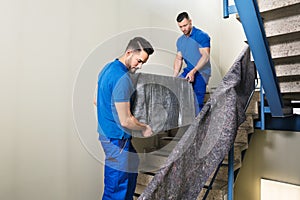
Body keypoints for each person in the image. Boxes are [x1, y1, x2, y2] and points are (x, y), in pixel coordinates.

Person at [96, 37, 154, 200]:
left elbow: (96, 100)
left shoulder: (107, 69)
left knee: (129, 176)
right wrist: (144, 127)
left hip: (109, 136)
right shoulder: (122, 78)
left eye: (143, 63)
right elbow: (126, 120)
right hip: (116, 140)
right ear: (129, 52)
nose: (139, 65)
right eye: (138, 60)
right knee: (116, 190)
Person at [173, 12, 211, 115]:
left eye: (185, 25)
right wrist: (175, 75)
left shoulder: (201, 36)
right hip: (189, 70)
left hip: (202, 72)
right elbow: (178, 58)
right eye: (180, 27)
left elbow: (205, 57)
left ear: (190, 22)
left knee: (196, 102)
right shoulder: (180, 41)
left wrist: (193, 71)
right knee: (176, 88)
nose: (183, 29)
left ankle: (197, 128)